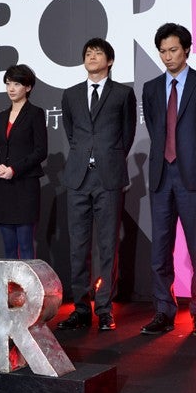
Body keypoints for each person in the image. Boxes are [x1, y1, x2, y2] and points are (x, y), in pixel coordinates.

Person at [140, 23, 196, 338]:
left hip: (194, 176)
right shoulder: (151, 88)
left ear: (187, 49)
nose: (168, 56)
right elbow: (156, 128)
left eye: (173, 50)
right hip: (161, 176)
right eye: (162, 51)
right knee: (160, 248)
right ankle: (163, 311)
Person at [57, 38, 137, 332]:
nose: (91, 56)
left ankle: (104, 308)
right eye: (88, 53)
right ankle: (80, 308)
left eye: (98, 53)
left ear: (110, 61)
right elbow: (72, 132)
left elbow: (127, 134)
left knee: (107, 245)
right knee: (78, 246)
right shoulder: (71, 95)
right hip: (78, 177)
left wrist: (108, 157)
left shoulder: (123, 94)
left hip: (109, 177)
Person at [0, 64, 48, 259]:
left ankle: (28, 280)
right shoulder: (0, 117)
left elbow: (41, 151)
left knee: (26, 244)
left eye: (16, 84)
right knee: (9, 248)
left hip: (24, 185)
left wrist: (14, 169)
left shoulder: (35, 113)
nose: (11, 89)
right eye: (8, 84)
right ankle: (10, 280)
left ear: (28, 87)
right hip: (2, 187)